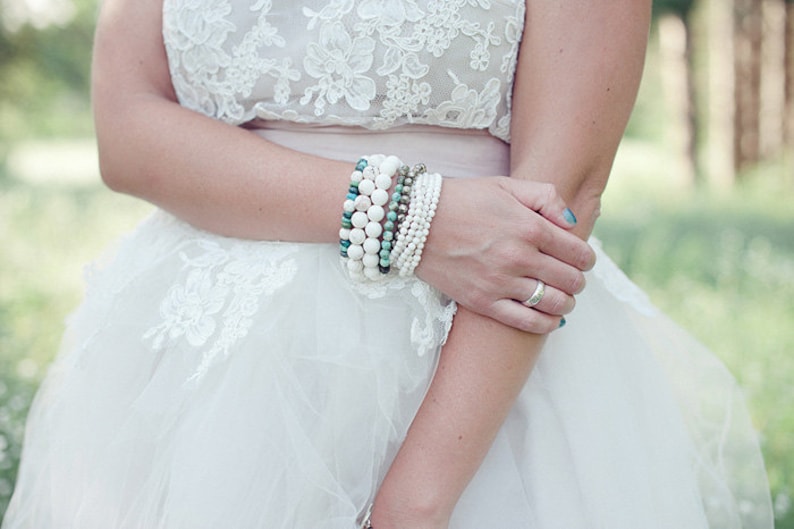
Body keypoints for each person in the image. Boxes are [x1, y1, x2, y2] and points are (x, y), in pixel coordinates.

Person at [2, 0, 773, 528]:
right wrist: (412, 216)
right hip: (186, 371)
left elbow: (562, 193)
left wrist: (416, 501)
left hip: (471, 377)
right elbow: (126, 124)